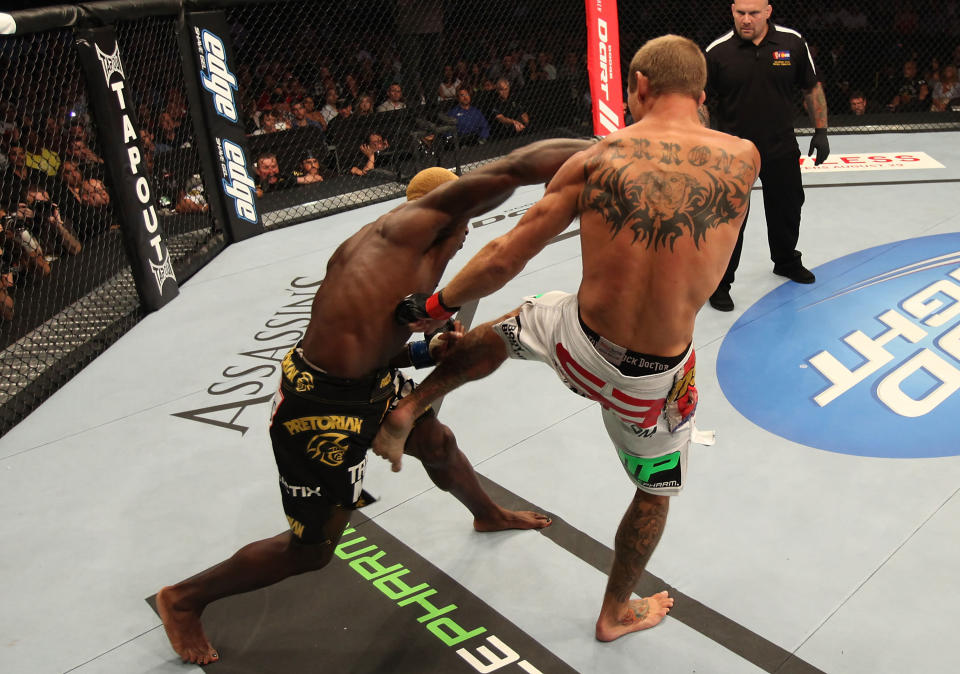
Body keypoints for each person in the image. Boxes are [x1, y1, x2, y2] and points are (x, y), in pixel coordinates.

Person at [373, 34, 759, 644]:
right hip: (647, 385)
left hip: (575, 342)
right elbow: (695, 138)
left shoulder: (595, 159)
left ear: (636, 85)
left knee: (513, 323)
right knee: (653, 492)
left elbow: (503, 256)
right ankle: (614, 612)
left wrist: (433, 307)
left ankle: (412, 404)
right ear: (702, 94)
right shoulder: (743, 157)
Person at [156, 139, 593, 665]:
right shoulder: (398, 237)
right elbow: (516, 168)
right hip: (317, 408)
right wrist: (615, 149)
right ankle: (183, 600)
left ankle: (487, 514)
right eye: (461, 232)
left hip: (369, 383)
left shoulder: (410, 252)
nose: (461, 244)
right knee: (312, 552)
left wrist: (424, 348)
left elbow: (371, 339)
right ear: (446, 218)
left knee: (436, 440)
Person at [701, 0, 829, 311]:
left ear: (768, 11)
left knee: (787, 207)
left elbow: (811, 89)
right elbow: (699, 100)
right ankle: (720, 282)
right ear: (732, 10)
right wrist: (701, 140)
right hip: (733, 151)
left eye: (753, 13)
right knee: (729, 219)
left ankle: (785, 261)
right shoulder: (717, 51)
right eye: (740, 13)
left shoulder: (792, 42)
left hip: (781, 145)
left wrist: (821, 131)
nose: (746, 20)